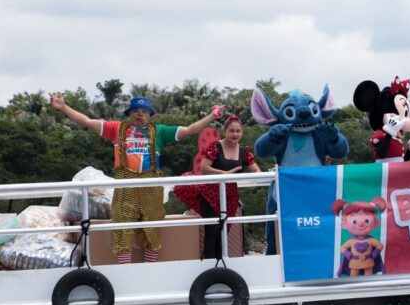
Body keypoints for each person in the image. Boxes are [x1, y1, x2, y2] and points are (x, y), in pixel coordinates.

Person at [48, 93, 222, 263]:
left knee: (152, 231)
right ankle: (125, 270)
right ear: (129, 113)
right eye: (136, 110)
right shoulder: (117, 129)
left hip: (151, 186)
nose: (140, 113)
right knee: (122, 229)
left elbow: (189, 130)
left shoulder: (159, 131)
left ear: (150, 114)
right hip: (126, 186)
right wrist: (63, 107)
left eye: (144, 110)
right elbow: (87, 122)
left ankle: (149, 269)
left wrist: (211, 116)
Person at [175, 115, 260, 259]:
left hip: (230, 196)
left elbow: (256, 170)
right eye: (231, 131)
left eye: (238, 131)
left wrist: (253, 177)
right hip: (210, 193)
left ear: (242, 132)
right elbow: (204, 167)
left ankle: (220, 265)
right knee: (212, 230)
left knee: (224, 230)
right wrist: (225, 174)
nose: (234, 134)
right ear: (225, 131)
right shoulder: (215, 146)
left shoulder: (244, 152)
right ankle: (209, 266)